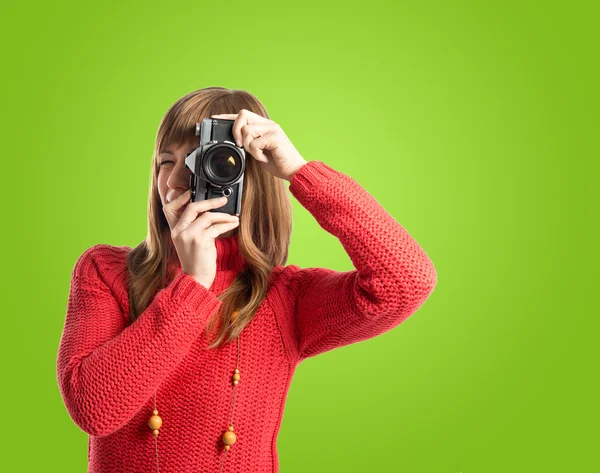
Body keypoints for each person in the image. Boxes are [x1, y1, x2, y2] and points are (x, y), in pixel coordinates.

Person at [56, 86, 438, 473]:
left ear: (247, 177)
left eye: (200, 161)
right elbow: (94, 408)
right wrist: (192, 286)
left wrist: (300, 172)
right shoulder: (106, 271)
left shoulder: (284, 297)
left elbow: (406, 281)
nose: (173, 181)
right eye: (165, 162)